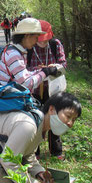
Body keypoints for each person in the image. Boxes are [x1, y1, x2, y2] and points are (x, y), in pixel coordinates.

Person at [27, 20, 68, 159]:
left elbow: (63, 64)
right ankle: (35, 151)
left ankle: (56, 151)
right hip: (35, 89)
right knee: (36, 118)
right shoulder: (28, 47)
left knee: (55, 116)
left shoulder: (55, 44)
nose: (43, 43)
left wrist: (54, 67)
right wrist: (38, 71)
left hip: (54, 88)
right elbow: (24, 70)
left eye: (46, 40)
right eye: (40, 40)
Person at [0, 17, 59, 92]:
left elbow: (24, 75)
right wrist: (46, 72)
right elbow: (27, 83)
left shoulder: (17, 51)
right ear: (27, 35)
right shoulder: (14, 55)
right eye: (36, 37)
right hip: (11, 99)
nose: (37, 41)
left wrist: (40, 70)